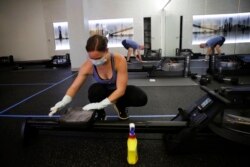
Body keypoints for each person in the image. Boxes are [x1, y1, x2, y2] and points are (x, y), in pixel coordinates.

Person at [49, 35, 148, 120]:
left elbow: (121, 89)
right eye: (92, 58)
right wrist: (64, 101)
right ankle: (100, 113)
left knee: (141, 97)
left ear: (107, 51)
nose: (95, 61)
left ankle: (120, 106)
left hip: (118, 90)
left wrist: (101, 104)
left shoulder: (118, 60)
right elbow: (75, 86)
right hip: (103, 91)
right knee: (94, 90)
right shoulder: (87, 65)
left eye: (98, 58)